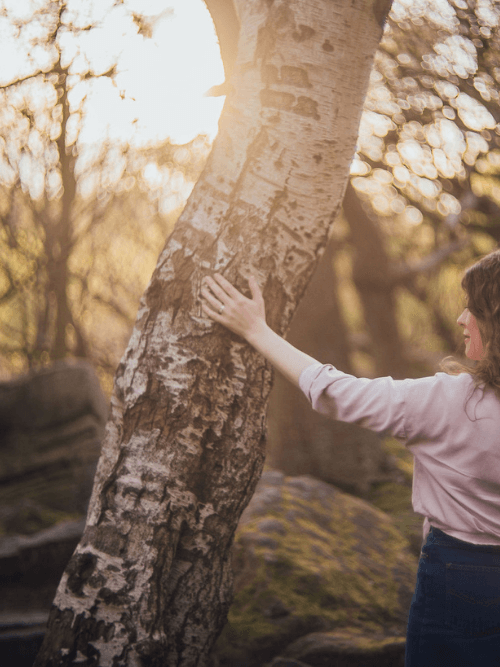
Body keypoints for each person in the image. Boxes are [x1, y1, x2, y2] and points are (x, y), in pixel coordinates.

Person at [200, 248, 500, 667]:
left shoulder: (451, 402)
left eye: (475, 310)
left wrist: (256, 329)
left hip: (458, 574)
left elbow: (335, 392)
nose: (461, 319)